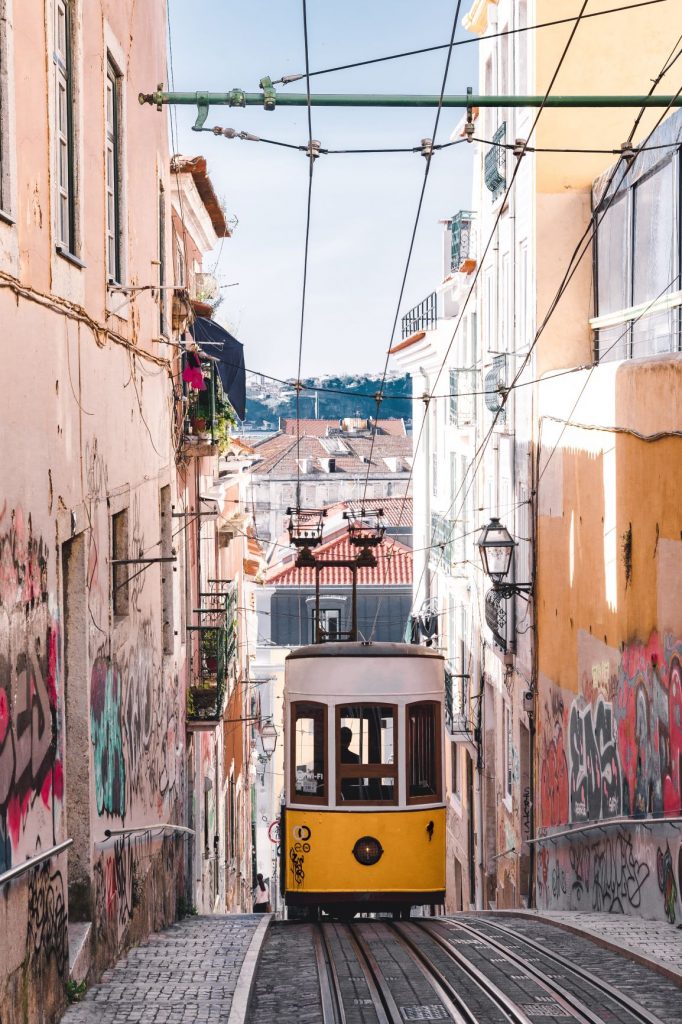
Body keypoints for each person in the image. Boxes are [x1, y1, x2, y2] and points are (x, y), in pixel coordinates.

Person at [340, 726, 362, 800]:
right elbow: (359, 781)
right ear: (349, 742)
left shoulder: (330, 757)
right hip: (352, 797)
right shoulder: (356, 758)